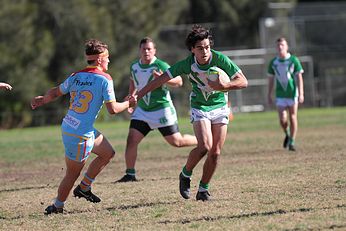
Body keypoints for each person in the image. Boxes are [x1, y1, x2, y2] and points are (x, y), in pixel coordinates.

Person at [135, 25, 248, 201]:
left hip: (219, 106)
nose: (205, 51)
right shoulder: (187, 64)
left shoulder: (220, 59)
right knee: (204, 147)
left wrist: (226, 86)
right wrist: (137, 95)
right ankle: (185, 174)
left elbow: (243, 81)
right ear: (192, 49)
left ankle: (203, 189)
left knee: (216, 152)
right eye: (200, 48)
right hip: (199, 106)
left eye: (207, 47)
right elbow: (160, 80)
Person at [31, 39, 136, 214]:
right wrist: (129, 103)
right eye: (107, 58)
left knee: (107, 153)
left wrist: (43, 99)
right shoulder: (105, 79)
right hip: (79, 134)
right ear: (100, 59)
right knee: (72, 174)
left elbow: (56, 92)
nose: (109, 61)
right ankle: (57, 206)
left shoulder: (76, 76)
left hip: (73, 127)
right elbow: (113, 110)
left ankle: (84, 187)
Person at [116, 37, 197, 183]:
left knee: (176, 142)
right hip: (143, 111)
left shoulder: (161, 65)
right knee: (131, 140)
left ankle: (202, 142)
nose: (146, 51)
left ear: (154, 51)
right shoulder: (134, 66)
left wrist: (164, 78)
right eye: (144, 49)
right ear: (139, 50)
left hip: (161, 109)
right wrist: (131, 100)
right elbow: (133, 83)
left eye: (149, 49)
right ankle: (130, 174)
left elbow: (179, 82)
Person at [267, 37, 304, 151]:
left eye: (282, 45)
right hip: (280, 94)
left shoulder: (293, 60)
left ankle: (292, 142)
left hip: (292, 93)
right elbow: (271, 80)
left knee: (293, 117)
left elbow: (299, 77)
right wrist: (269, 94)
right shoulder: (273, 62)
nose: (280, 47)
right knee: (283, 119)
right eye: (278, 45)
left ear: (287, 46)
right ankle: (287, 134)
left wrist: (301, 93)